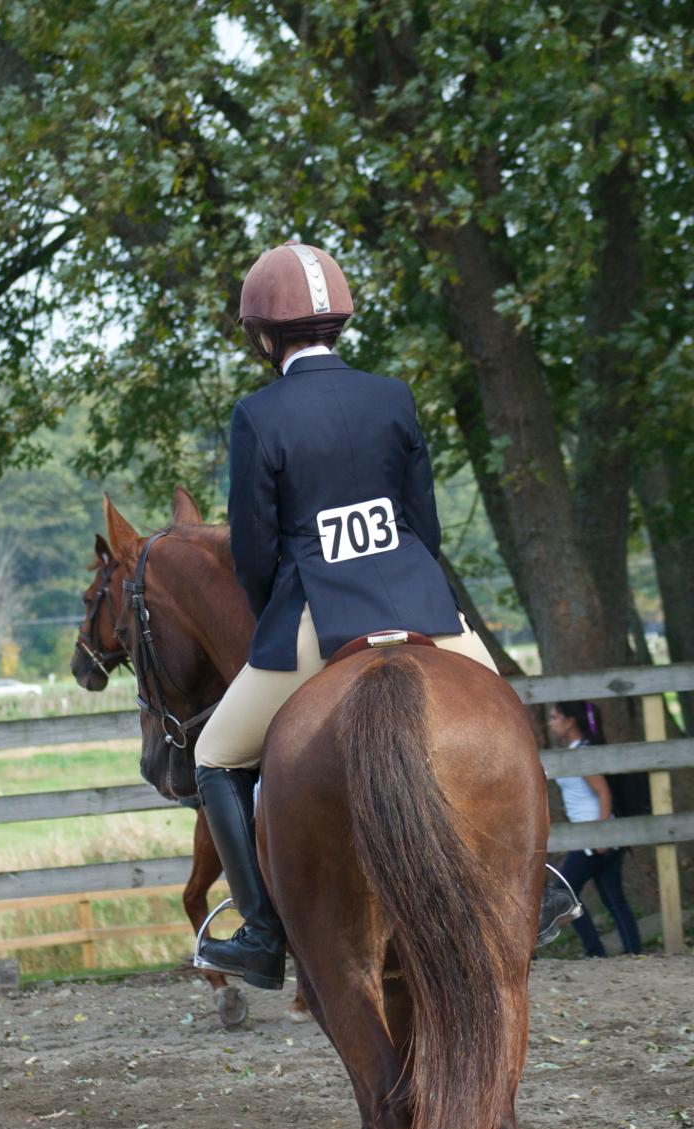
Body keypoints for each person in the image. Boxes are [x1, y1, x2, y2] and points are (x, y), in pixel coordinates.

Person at [193, 241, 577, 988]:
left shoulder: (257, 415)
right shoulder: (392, 396)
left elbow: (256, 552)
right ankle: (536, 888)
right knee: (502, 719)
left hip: (317, 614)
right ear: (337, 322)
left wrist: (276, 613)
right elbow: (422, 526)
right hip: (424, 606)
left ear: (264, 335)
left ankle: (262, 930)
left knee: (214, 754)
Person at [548, 700, 642, 958]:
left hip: (593, 837)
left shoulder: (581, 754)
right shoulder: (576, 750)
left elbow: (603, 792)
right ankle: (633, 951)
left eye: (555, 717)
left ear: (570, 721)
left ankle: (596, 952)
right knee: (613, 897)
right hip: (596, 836)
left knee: (562, 893)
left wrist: (602, 834)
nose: (551, 723)